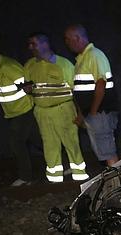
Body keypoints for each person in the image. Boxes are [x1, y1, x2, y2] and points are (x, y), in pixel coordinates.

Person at [24, 33, 89, 182]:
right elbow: (29, 86)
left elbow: (76, 91)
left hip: (63, 110)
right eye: (29, 44)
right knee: (49, 145)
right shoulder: (30, 65)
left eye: (34, 44)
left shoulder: (64, 65)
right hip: (42, 112)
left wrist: (80, 113)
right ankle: (54, 179)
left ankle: (80, 177)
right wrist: (28, 89)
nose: (30, 47)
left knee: (71, 143)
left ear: (45, 44)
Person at [0, 42, 39, 186]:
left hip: (24, 111)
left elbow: (28, 86)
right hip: (14, 113)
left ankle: (26, 177)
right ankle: (65, 163)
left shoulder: (9, 67)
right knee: (39, 140)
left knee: (16, 142)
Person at [64, 24, 119, 166]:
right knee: (103, 152)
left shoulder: (94, 55)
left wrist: (93, 112)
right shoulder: (82, 59)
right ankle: (115, 182)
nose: (67, 44)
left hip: (100, 113)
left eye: (68, 40)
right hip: (93, 114)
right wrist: (83, 114)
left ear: (77, 38)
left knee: (107, 152)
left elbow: (101, 84)